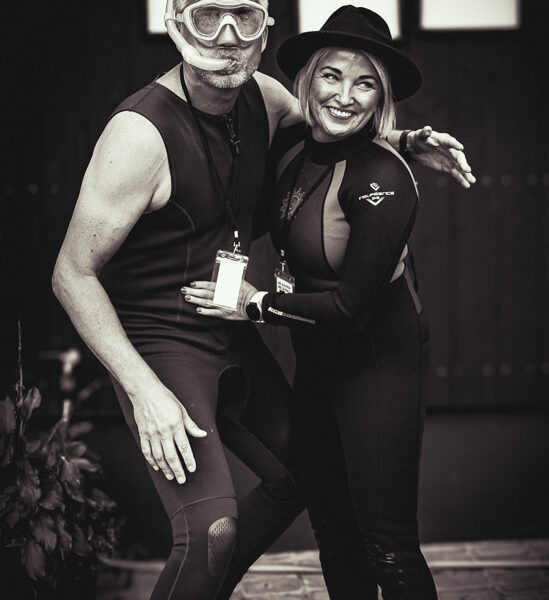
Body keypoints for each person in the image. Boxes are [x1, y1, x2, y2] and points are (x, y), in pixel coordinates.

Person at [52, 1, 473, 598]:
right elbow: (71, 273)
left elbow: (336, 125)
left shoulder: (265, 97)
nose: (226, 36)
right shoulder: (139, 135)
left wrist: (403, 141)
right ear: (175, 23)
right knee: (213, 529)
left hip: (234, 324)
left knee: (313, 482)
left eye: (243, 17)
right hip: (164, 338)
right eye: (207, 16)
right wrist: (143, 391)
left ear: (264, 30)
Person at [183, 5, 447, 599]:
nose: (344, 96)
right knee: (333, 532)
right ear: (308, 79)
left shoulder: (385, 180)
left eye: (365, 84)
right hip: (318, 369)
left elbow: (352, 309)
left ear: (381, 97)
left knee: (386, 544)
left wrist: (255, 305)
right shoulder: (294, 148)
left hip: (379, 366)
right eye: (332, 75)